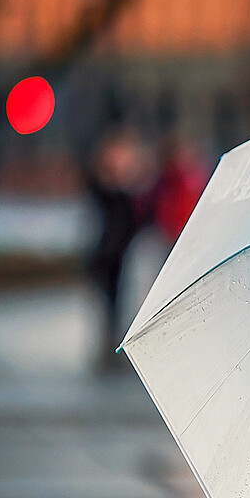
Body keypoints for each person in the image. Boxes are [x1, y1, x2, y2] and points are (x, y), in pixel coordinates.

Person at [84, 130, 152, 370]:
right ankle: (108, 344)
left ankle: (113, 343)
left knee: (121, 301)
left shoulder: (131, 193)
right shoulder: (104, 190)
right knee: (107, 303)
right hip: (104, 255)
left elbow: (142, 219)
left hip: (121, 255)